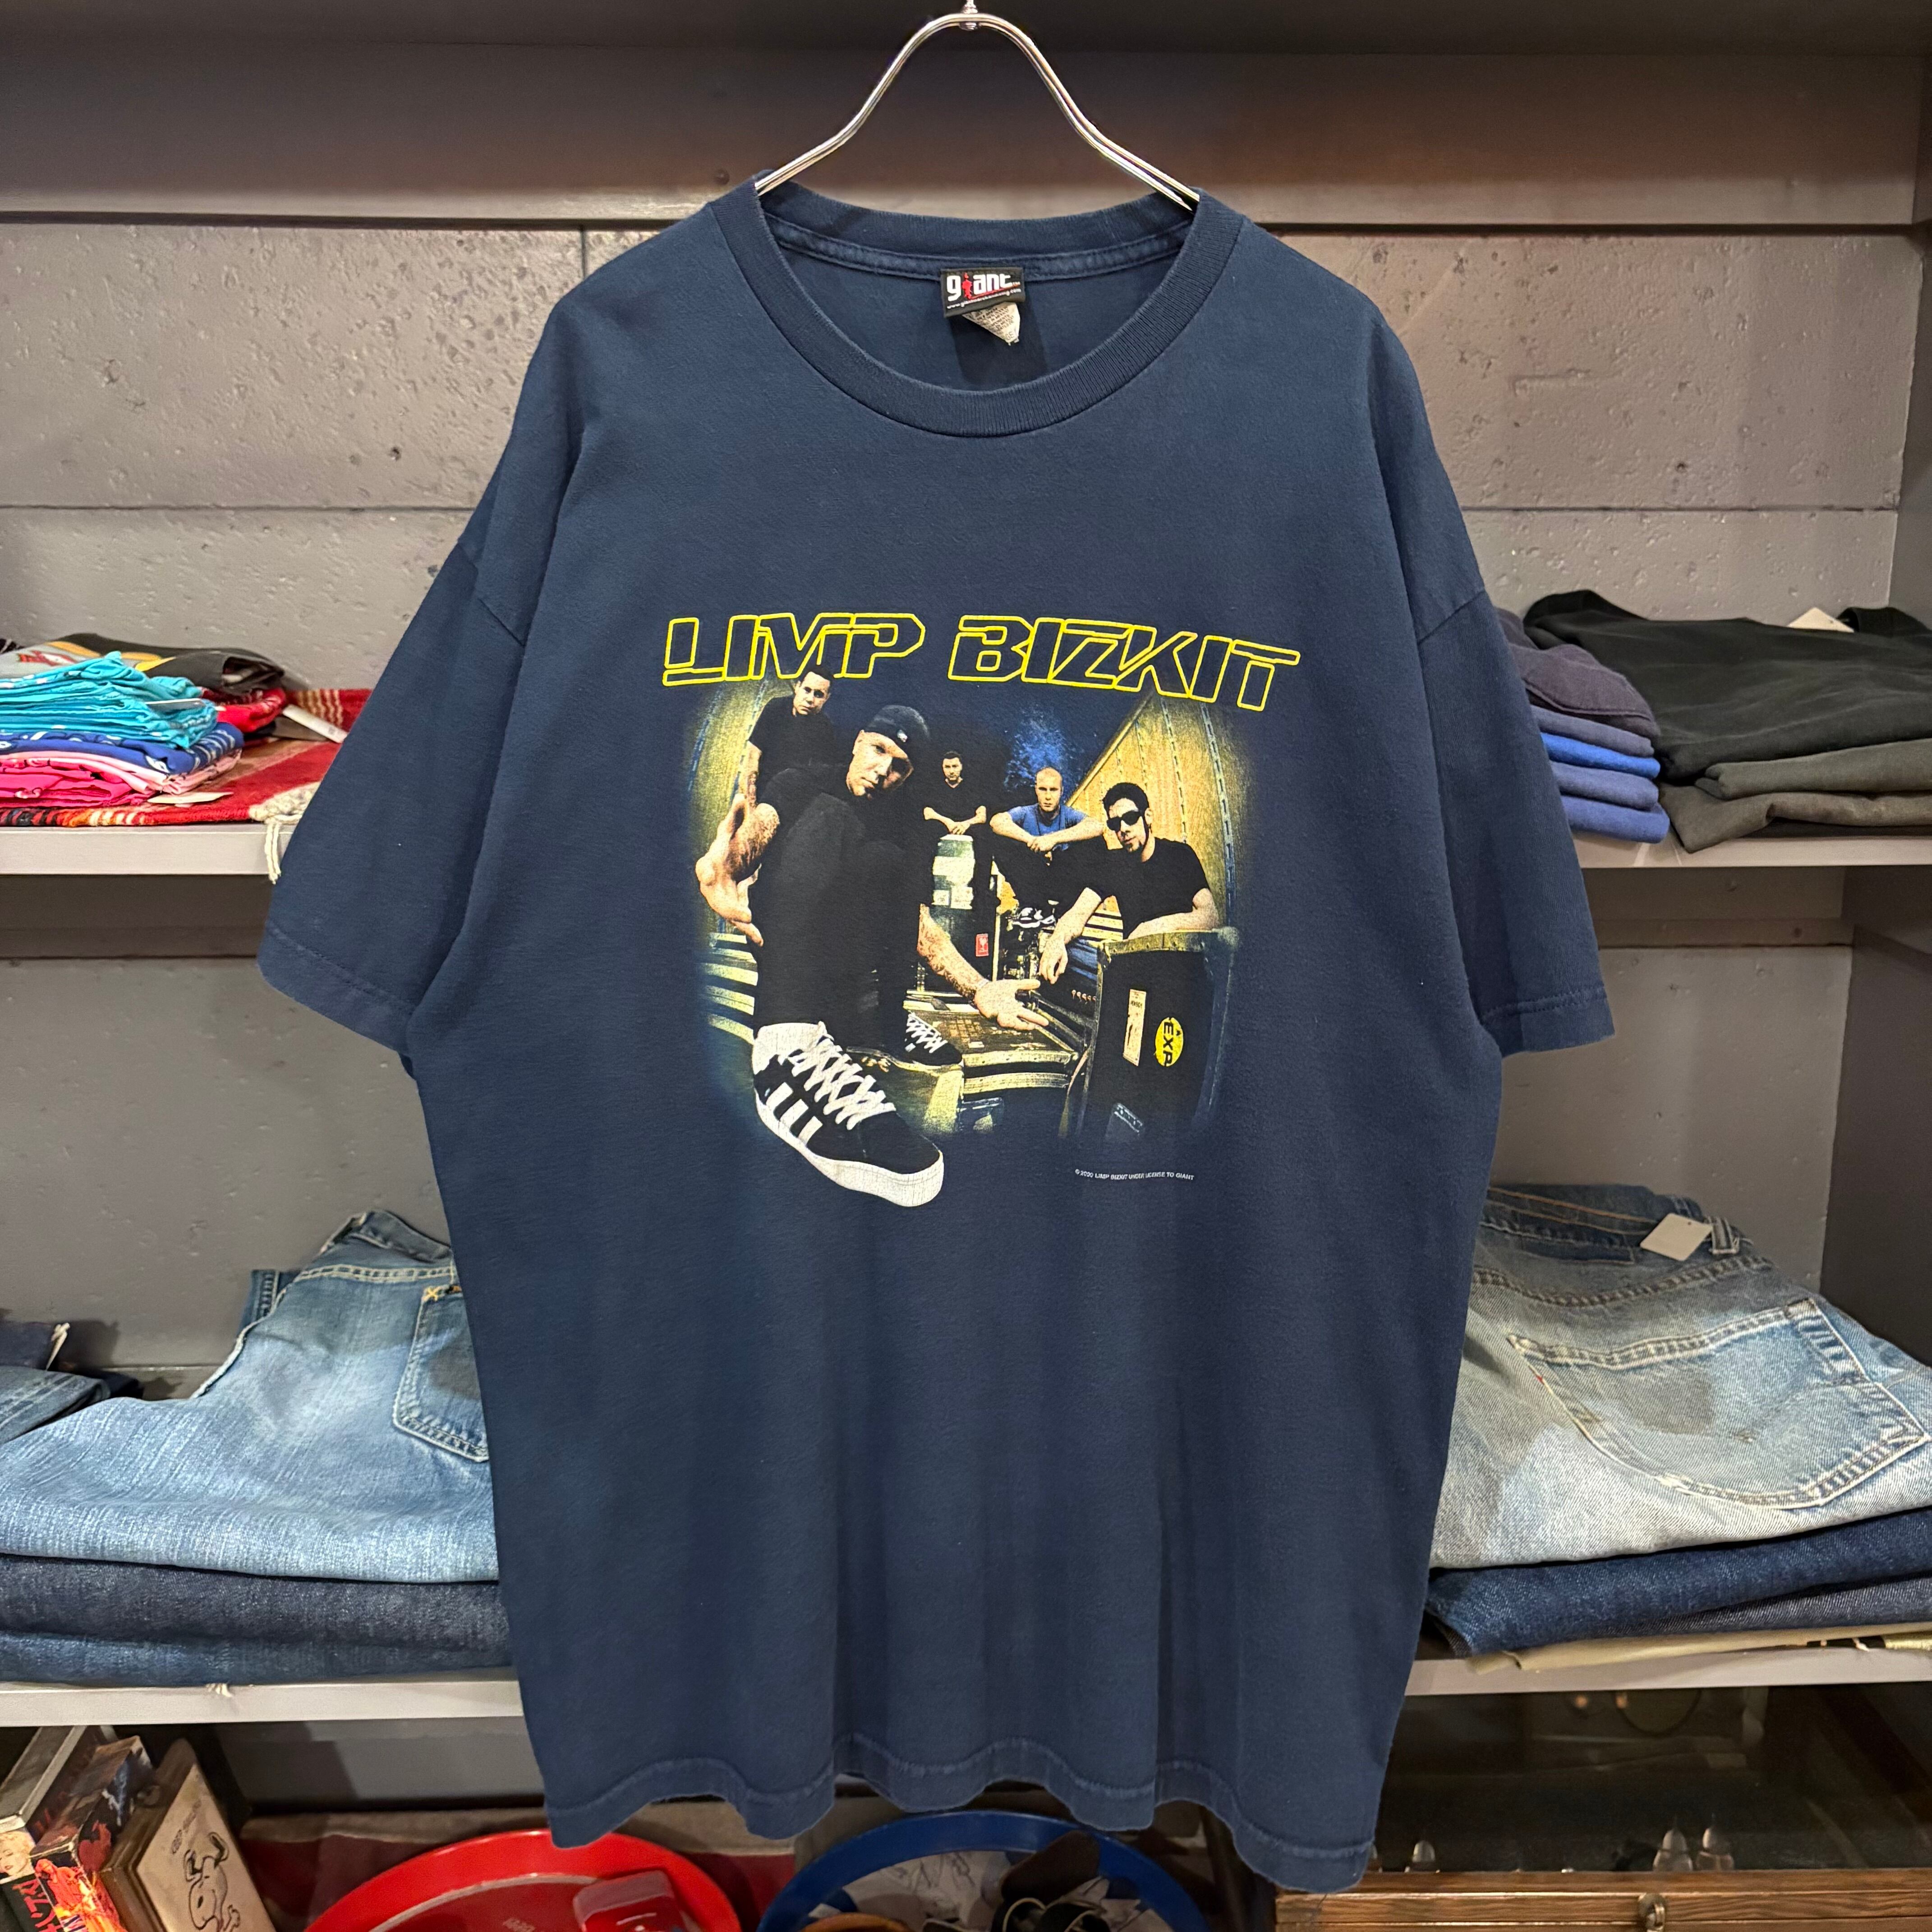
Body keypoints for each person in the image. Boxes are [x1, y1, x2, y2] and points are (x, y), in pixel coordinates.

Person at [695, 704, 1047, 1206]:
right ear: (859, 741)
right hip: (786, 953)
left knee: (890, 861)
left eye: (900, 765)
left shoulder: (903, 822)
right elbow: (758, 832)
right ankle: (783, 1049)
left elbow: (918, 926)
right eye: (879, 750)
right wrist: (727, 863)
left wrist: (980, 989)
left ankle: (869, 1018)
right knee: (832, 818)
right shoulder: (803, 782)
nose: (884, 770)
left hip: (843, 966)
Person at [1037, 781, 1220, 986]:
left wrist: (1153, 928)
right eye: (1115, 824)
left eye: (1131, 818)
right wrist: (1056, 940)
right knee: (1068, 951)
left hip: (1175, 968)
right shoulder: (1113, 863)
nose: (1123, 829)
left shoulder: (1179, 855)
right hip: (1133, 965)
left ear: (1148, 817)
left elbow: (1210, 916)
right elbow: (1078, 914)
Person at [988, 764, 1107, 911]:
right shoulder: (1026, 812)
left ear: (1061, 792)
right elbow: (997, 822)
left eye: (1054, 790)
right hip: (1034, 879)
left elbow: (1097, 827)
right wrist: (1034, 842)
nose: (1048, 797)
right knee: (1000, 841)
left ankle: (1067, 909)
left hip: (1064, 879)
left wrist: (1052, 840)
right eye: (1043, 789)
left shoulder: (1068, 814)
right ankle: (1033, 907)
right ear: (1036, 790)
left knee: (1097, 842)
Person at [739, 667, 837, 796]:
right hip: (761, 784)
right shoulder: (776, 708)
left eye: (819, 695)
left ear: (827, 698)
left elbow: (820, 776)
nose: (810, 699)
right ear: (798, 687)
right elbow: (753, 755)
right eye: (807, 690)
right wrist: (748, 794)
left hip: (791, 793)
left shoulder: (825, 728)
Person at [921, 751, 992, 912]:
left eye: (955, 766)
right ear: (942, 768)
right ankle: (926, 892)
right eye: (947, 767)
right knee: (926, 832)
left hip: (967, 825)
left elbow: (982, 816)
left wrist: (966, 824)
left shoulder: (973, 787)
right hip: (943, 824)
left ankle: (980, 893)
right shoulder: (935, 787)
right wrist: (948, 822)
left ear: (961, 767)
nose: (951, 771)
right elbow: (928, 812)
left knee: (984, 836)